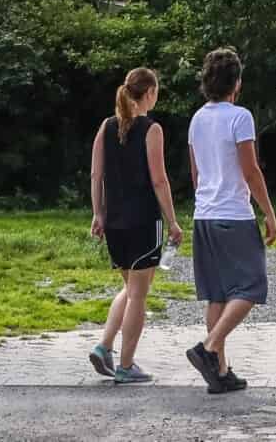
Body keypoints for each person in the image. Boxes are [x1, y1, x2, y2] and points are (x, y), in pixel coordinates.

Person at [185, 47, 276, 395]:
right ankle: (209, 348)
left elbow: (196, 174)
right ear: (236, 83)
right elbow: (250, 170)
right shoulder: (240, 117)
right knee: (252, 285)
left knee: (218, 293)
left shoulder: (197, 119)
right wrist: (268, 212)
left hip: (203, 214)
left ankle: (220, 372)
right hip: (234, 214)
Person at [88, 67, 182, 385]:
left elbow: (95, 175)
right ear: (150, 93)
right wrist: (173, 221)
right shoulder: (151, 129)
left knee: (130, 289)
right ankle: (126, 366)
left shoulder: (106, 126)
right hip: (143, 221)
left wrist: (97, 214)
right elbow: (159, 179)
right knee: (139, 295)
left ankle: (104, 346)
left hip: (113, 221)